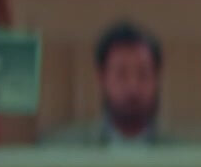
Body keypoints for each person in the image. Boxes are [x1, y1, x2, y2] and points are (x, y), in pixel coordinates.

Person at [41, 20, 172, 146]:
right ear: (102, 78)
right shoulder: (63, 148)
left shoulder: (179, 151)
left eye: (143, 75)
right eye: (121, 75)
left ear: (157, 78)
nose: (133, 87)